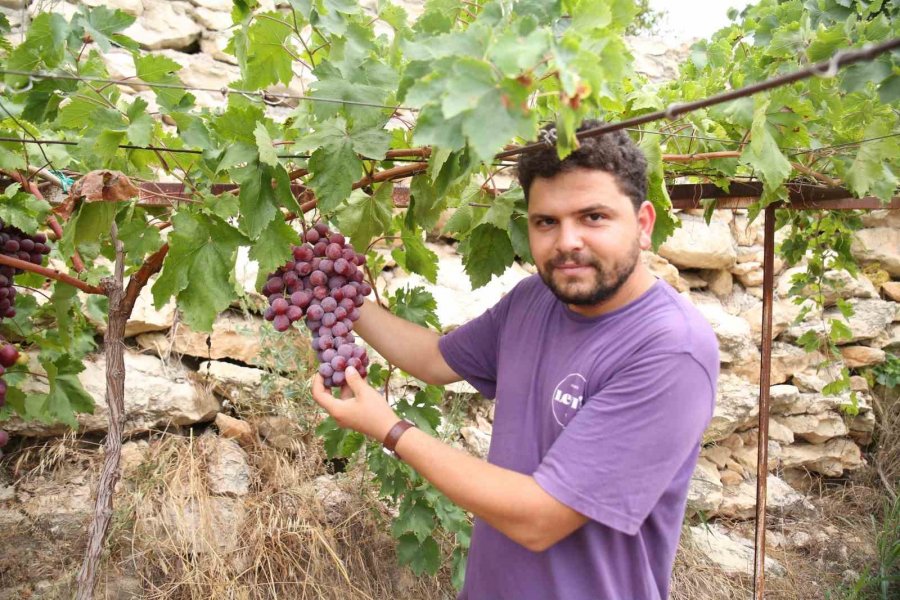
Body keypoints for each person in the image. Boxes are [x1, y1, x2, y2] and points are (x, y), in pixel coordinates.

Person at [311, 120, 719, 600]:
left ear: (644, 224)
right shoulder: (533, 301)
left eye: (593, 217)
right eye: (547, 221)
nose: (567, 241)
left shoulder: (670, 349)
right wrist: (345, 300)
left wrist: (393, 430)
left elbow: (539, 518)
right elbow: (435, 359)